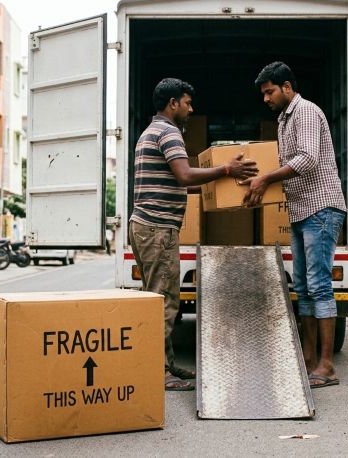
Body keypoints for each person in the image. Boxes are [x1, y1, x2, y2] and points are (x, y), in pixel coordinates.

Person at [130, 78, 258, 391]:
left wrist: (220, 187)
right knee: (164, 301)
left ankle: (166, 363)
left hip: (148, 226)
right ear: (172, 103)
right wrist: (226, 171)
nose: (191, 108)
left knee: (158, 298)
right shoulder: (168, 131)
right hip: (157, 228)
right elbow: (185, 174)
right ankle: (159, 373)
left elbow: (182, 182)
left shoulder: (152, 131)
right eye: (187, 102)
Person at [243, 62, 347, 389]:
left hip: (321, 208)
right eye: (263, 93)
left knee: (318, 285)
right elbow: (287, 165)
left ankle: (327, 365)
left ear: (287, 87)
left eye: (270, 91)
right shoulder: (284, 120)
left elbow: (307, 159)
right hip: (302, 211)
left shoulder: (304, 112)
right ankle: (308, 359)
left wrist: (266, 179)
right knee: (301, 286)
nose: (266, 98)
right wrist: (257, 185)